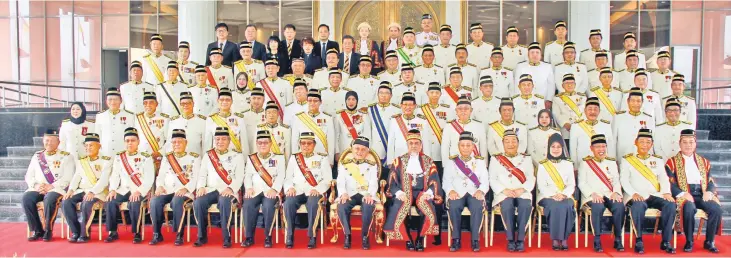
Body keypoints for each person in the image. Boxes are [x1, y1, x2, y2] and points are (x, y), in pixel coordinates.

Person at [384, 129, 442, 252]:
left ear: (421, 145)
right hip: (404, 193)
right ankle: (408, 239)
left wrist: (429, 193)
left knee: (428, 206)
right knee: (399, 206)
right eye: (411, 143)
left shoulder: (429, 161)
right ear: (407, 145)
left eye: (417, 143)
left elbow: (434, 180)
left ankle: (420, 239)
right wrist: (399, 193)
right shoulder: (398, 161)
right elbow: (392, 181)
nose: (414, 146)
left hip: (422, 193)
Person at [621, 129, 677, 254]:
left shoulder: (657, 160)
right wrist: (633, 193)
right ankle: (639, 240)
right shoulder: (627, 160)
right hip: (636, 195)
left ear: (652, 144)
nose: (645, 145)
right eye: (642, 142)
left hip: (655, 195)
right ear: (636, 142)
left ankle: (666, 241)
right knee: (638, 206)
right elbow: (623, 180)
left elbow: (663, 178)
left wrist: (667, 192)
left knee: (670, 205)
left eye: (648, 142)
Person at [666, 129, 722, 253]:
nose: (688, 145)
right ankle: (689, 241)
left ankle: (709, 241)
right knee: (689, 208)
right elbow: (669, 183)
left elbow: (711, 181)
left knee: (716, 209)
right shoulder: (672, 162)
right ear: (679, 144)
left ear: (695, 144)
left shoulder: (704, 162)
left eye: (691, 142)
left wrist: (709, 192)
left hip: (702, 193)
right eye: (685, 142)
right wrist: (683, 194)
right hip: (684, 194)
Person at [193, 127, 245, 248]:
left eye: (223, 139)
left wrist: (231, 188)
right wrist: (200, 187)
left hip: (228, 190)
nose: (220, 142)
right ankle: (202, 236)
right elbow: (202, 174)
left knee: (224, 201)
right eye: (217, 139)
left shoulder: (237, 156)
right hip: (211, 189)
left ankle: (226, 237)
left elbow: (239, 177)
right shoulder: (208, 155)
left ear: (229, 141)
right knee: (198, 202)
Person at [149, 129, 200, 246]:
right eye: (174, 142)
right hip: (167, 190)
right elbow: (161, 175)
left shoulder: (194, 158)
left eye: (179, 142)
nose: (176, 144)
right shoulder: (167, 158)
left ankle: (179, 234)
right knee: (154, 201)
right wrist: (160, 186)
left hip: (184, 191)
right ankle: (157, 234)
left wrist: (186, 188)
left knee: (177, 201)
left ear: (186, 143)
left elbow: (196, 177)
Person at [23, 129, 74, 242]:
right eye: (47, 140)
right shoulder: (37, 156)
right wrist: (36, 185)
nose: (49, 143)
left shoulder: (66, 157)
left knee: (50, 199)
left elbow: (68, 177)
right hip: (39, 188)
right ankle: (37, 230)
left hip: (56, 189)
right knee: (26, 198)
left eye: (52, 141)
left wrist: (52, 186)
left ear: (58, 142)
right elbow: (28, 175)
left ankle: (48, 230)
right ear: (43, 141)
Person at [105, 127, 155, 244]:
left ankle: (136, 232)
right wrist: (112, 189)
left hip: (138, 190)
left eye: (132, 140)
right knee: (110, 201)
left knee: (134, 202)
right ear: (124, 142)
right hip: (123, 190)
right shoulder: (119, 157)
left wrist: (139, 191)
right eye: (127, 141)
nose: (130, 143)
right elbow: (115, 175)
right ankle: (112, 232)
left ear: (138, 142)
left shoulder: (145, 157)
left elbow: (149, 178)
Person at [283, 132, 332, 249]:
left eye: (309, 143)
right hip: (297, 190)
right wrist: (289, 187)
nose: (306, 146)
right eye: (303, 143)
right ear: (299, 144)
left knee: (313, 203)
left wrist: (318, 189)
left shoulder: (322, 158)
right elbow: (288, 177)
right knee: (288, 203)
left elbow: (328, 179)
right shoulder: (294, 158)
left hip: (314, 191)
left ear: (314, 144)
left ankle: (312, 235)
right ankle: (289, 235)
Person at [489, 128, 535, 252]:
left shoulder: (526, 158)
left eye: (513, 141)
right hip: (504, 193)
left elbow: (531, 178)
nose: (511, 144)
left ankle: (520, 239)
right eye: (507, 141)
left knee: (525, 205)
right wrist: (504, 190)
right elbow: (492, 179)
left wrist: (523, 189)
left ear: (518, 143)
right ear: (502, 144)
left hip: (522, 192)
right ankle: (510, 239)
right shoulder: (496, 159)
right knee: (507, 205)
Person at [577, 134, 625, 252]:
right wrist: (592, 194)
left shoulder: (612, 162)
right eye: (598, 147)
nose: (601, 149)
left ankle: (618, 238)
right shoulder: (585, 163)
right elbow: (582, 183)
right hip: (592, 195)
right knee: (598, 206)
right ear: (591, 148)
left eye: (603, 146)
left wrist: (616, 192)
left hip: (609, 194)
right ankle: (597, 239)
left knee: (619, 206)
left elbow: (616, 181)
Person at [61, 133, 112, 243]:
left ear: (99, 146)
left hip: (98, 192)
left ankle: (85, 233)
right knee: (66, 201)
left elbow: (104, 181)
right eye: (86, 146)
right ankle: (75, 231)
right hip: (83, 190)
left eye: (91, 145)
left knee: (86, 202)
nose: (88, 148)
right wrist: (71, 190)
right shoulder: (82, 160)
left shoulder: (106, 161)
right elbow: (76, 177)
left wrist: (92, 192)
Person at [444, 131, 489, 252]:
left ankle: (475, 240)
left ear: (473, 146)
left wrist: (481, 191)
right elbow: (446, 181)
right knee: (454, 206)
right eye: (462, 145)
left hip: (474, 192)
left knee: (477, 207)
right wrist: (451, 191)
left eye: (468, 145)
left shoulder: (480, 162)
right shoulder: (452, 162)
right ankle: (456, 239)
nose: (465, 148)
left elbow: (485, 181)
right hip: (457, 192)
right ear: (458, 146)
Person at [241, 130, 285, 248]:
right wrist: (249, 188)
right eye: (260, 143)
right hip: (255, 191)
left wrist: (275, 189)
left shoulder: (279, 158)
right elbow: (248, 175)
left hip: (270, 191)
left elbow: (281, 176)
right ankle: (249, 237)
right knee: (248, 205)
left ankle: (268, 237)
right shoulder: (252, 158)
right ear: (256, 143)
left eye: (265, 142)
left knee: (268, 206)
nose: (263, 145)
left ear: (271, 143)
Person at [334, 136, 380, 250]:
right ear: (352, 149)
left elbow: (374, 182)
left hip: (365, 194)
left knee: (369, 206)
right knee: (342, 206)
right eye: (357, 149)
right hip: (350, 194)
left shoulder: (372, 164)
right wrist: (343, 193)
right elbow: (340, 181)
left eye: (363, 149)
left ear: (367, 151)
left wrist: (370, 194)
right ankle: (347, 235)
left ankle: (365, 236)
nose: (360, 152)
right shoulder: (344, 163)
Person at [536, 133, 576, 251]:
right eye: (553, 146)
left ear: (563, 148)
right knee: (554, 206)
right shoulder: (543, 164)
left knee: (568, 205)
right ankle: (555, 238)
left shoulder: (568, 164)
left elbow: (571, 184)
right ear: (549, 148)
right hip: (547, 196)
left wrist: (564, 194)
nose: (556, 149)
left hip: (565, 195)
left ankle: (564, 238)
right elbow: (541, 185)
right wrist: (553, 195)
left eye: (558, 147)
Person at [386, 93, 434, 165]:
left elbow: (426, 143)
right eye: (405, 104)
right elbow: (391, 143)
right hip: (399, 160)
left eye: (410, 105)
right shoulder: (394, 120)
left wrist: (427, 161)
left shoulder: (422, 121)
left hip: (417, 159)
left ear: (415, 106)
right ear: (401, 105)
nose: (408, 107)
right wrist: (390, 162)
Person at [291, 89, 336, 164]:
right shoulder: (299, 117)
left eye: (315, 101)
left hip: (322, 158)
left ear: (320, 102)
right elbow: (295, 141)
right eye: (310, 100)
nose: (312, 103)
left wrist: (330, 161)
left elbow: (331, 141)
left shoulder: (327, 118)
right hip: (304, 159)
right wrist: (296, 160)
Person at [569, 97, 615, 167]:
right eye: (590, 109)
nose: (593, 112)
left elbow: (611, 147)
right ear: (585, 111)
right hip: (582, 165)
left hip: (603, 166)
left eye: (595, 109)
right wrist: (575, 167)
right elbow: (573, 149)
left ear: (599, 111)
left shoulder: (606, 126)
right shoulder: (576, 126)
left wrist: (612, 165)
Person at [418, 82, 455, 167]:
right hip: (426, 149)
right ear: (427, 93)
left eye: (437, 93)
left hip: (441, 150)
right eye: (432, 92)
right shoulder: (420, 110)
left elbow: (451, 130)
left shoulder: (447, 110)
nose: (434, 95)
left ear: (440, 94)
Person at [441, 96, 487, 161]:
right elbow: (445, 149)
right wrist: (446, 167)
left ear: (471, 110)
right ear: (456, 111)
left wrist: (484, 166)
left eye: (466, 108)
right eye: (460, 109)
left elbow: (483, 149)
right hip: (455, 165)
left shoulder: (479, 126)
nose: (463, 111)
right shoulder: (449, 126)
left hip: (475, 165)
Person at [204, 88, 249, 155]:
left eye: (227, 100)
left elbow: (244, 143)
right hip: (217, 160)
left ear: (231, 101)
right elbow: (208, 144)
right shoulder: (211, 119)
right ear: (218, 101)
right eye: (222, 100)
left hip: (235, 159)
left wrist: (244, 161)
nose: (224, 102)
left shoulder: (239, 119)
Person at [366, 82, 401, 169]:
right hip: (375, 150)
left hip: (391, 152)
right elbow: (367, 132)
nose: (383, 95)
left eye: (386, 93)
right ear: (377, 95)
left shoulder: (397, 110)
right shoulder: (370, 110)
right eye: (381, 93)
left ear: (391, 95)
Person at [612, 88, 655, 158]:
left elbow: (652, 142)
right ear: (628, 101)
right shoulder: (618, 117)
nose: (635, 104)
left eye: (638, 101)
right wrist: (613, 159)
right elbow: (613, 141)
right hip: (623, 157)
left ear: (642, 102)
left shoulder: (648, 118)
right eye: (633, 101)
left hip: (643, 159)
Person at [134, 91, 169, 171]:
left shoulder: (164, 118)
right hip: (141, 157)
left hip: (157, 157)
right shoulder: (137, 118)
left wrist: (160, 152)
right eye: (145, 103)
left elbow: (169, 139)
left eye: (151, 102)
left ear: (156, 104)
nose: (148, 105)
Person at [96, 87, 136, 157]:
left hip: (123, 152)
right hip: (105, 153)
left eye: (115, 99)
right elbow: (97, 136)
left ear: (121, 101)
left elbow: (133, 136)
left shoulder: (129, 116)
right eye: (110, 99)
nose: (113, 102)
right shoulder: (100, 116)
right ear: (106, 101)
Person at [514, 42, 555, 108]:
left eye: (537, 52)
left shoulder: (547, 66)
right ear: (528, 55)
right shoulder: (521, 66)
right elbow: (517, 85)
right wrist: (518, 100)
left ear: (541, 55)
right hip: (525, 101)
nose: (535, 55)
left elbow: (551, 85)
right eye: (532, 52)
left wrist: (549, 100)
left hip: (543, 101)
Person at [335, 91, 371, 156]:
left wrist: (366, 149)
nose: (351, 102)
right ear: (345, 101)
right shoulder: (339, 116)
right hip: (343, 150)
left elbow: (368, 134)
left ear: (357, 101)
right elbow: (336, 135)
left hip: (359, 150)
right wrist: (337, 152)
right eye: (348, 99)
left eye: (353, 99)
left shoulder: (363, 115)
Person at [553, 74, 587, 139]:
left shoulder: (582, 97)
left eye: (572, 83)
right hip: (565, 130)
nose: (569, 85)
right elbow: (556, 113)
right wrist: (565, 124)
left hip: (580, 128)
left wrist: (579, 125)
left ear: (575, 85)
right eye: (567, 83)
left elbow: (585, 113)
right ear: (562, 85)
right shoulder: (557, 98)